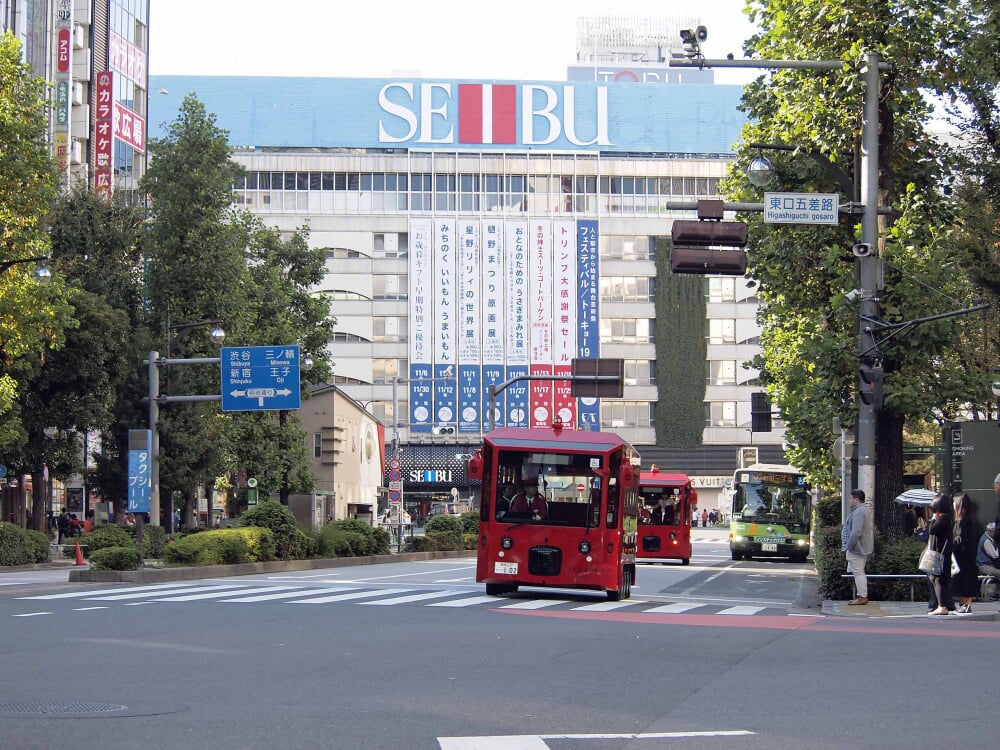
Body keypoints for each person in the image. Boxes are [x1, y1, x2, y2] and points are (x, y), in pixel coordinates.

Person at [842, 488, 874, 605]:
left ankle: (862, 596)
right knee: (857, 571)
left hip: (857, 548)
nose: (849, 500)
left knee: (858, 572)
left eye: (851, 498)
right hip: (860, 547)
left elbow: (856, 532)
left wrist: (849, 545)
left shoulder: (859, 512)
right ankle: (861, 595)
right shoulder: (863, 510)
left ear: (856, 499)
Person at [927, 494, 955, 615]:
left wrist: (933, 518)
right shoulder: (945, 518)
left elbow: (931, 529)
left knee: (938, 579)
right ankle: (944, 605)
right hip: (939, 553)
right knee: (935, 578)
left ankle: (942, 606)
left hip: (941, 554)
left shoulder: (943, 519)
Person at [950, 492, 978, 613]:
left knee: (964, 579)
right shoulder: (969, 520)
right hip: (966, 556)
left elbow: (959, 539)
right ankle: (965, 604)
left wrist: (951, 545)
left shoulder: (962, 522)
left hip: (963, 556)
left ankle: (966, 604)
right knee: (965, 579)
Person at [976, 522, 1000, 599]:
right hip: (983, 566)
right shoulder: (986, 540)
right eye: (995, 531)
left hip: (987, 564)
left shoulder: (988, 539)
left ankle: (997, 593)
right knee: (998, 573)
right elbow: (995, 555)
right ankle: (997, 593)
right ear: (990, 531)